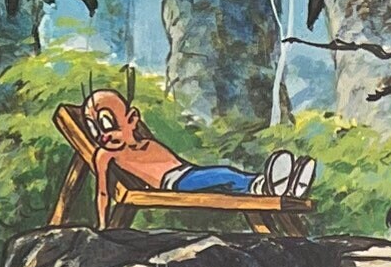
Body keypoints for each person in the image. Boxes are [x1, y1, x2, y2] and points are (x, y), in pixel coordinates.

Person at [78, 86, 314, 207]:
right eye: (94, 129)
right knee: (224, 175)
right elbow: (103, 192)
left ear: (132, 119)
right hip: (175, 184)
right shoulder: (105, 154)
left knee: (224, 176)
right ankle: (263, 185)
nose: (103, 136)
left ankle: (284, 187)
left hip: (186, 174)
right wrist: (102, 227)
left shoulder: (144, 142)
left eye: (107, 124)